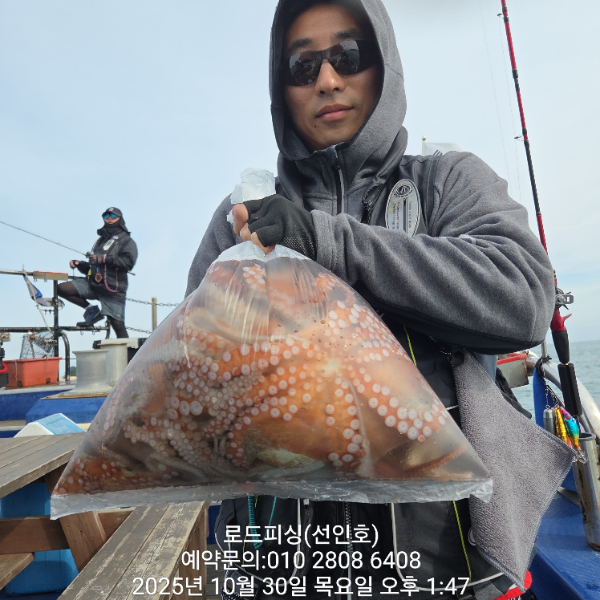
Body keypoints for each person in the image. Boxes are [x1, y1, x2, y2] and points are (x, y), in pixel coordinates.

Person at [186, 1, 573, 598]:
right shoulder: (243, 214)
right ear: (280, 87)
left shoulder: (447, 181)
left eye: (348, 55)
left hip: (446, 561)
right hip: (281, 561)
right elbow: (189, 376)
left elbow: (522, 297)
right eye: (302, 65)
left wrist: (327, 243)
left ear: (383, 63)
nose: (327, 79)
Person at [58, 207, 137, 339]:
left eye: (113, 216)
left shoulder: (127, 240)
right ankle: (91, 309)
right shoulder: (100, 241)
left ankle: (130, 353)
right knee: (62, 289)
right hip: (94, 284)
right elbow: (92, 267)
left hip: (113, 289)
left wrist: (103, 259)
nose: (109, 219)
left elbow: (128, 263)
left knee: (117, 325)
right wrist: (80, 264)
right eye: (106, 216)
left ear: (120, 219)